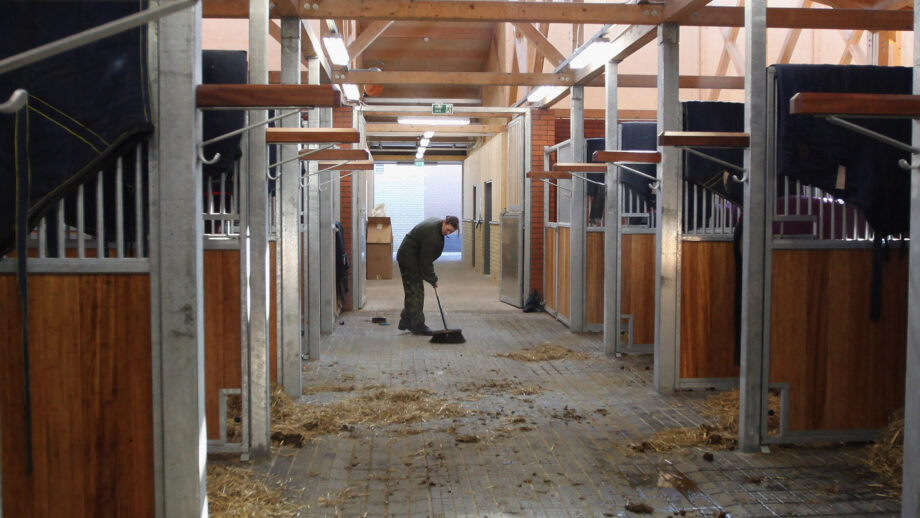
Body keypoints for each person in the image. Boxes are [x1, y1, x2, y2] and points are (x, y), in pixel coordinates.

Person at [396, 215, 459, 335]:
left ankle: (406, 320)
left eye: (451, 232)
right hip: (409, 259)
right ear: (444, 222)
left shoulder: (436, 224)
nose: (448, 233)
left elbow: (425, 258)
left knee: (412, 291)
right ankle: (418, 325)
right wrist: (432, 279)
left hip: (410, 256)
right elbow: (426, 261)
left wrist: (430, 277)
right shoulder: (432, 236)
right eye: (448, 229)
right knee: (416, 292)